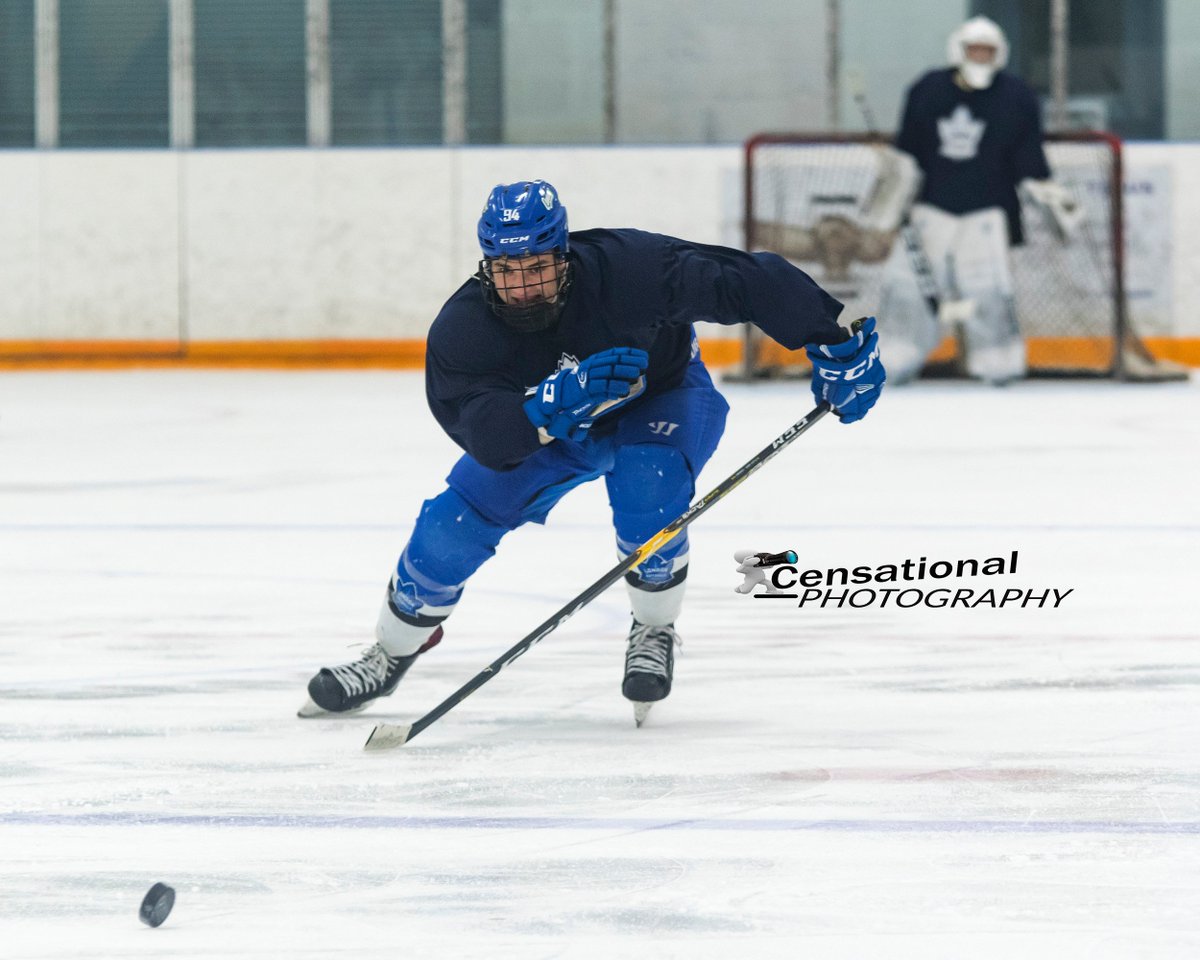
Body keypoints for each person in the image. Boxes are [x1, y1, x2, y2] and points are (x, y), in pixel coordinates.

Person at [297, 179, 885, 724]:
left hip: (664, 400)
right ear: (486, 265)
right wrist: (545, 408)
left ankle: (653, 630)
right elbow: (482, 434)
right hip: (552, 433)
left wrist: (832, 340)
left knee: (647, 486)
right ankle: (391, 652)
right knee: (449, 528)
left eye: (537, 266)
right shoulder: (464, 329)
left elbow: (746, 279)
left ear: (564, 257)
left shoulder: (629, 267)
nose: (524, 284)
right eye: (507, 269)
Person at [878, 15, 1079, 385]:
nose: (980, 56)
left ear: (1000, 54)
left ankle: (997, 360)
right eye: (974, 49)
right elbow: (908, 151)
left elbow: (1028, 156)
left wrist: (1048, 194)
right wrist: (889, 203)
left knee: (988, 289)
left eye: (987, 50)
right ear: (959, 49)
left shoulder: (1016, 96)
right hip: (930, 209)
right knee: (908, 287)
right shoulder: (928, 89)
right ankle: (895, 356)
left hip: (987, 211)